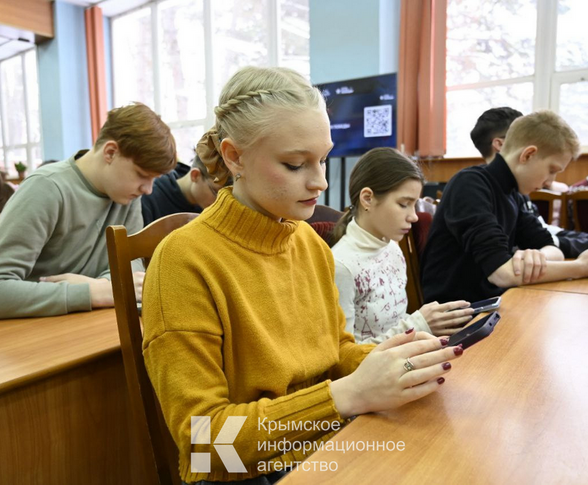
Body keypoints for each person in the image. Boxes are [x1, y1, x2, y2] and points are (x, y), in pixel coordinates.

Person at [141, 66, 463, 485]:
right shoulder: (183, 261)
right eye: (295, 165)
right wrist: (347, 394)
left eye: (323, 159)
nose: (321, 182)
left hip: (326, 443)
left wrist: (397, 363)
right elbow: (204, 444)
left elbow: (336, 351)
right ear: (234, 156)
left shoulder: (309, 242)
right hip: (246, 473)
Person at [0, 103, 175, 320]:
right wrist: (91, 292)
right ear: (110, 152)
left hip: (86, 323)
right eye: (142, 175)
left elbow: (129, 269)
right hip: (30, 330)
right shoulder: (46, 188)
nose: (148, 190)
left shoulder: (126, 195)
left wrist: (101, 286)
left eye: (154, 179)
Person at [422, 110, 588, 304]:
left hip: (494, 302)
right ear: (528, 155)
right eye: (551, 170)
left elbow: (552, 248)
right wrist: (580, 268)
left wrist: (537, 258)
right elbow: (502, 274)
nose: (550, 181)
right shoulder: (469, 185)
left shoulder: (513, 194)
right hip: (457, 313)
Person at [330, 147, 474, 343]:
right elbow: (344, 354)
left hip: (405, 355)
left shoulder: (392, 248)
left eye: (414, 205)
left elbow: (394, 321)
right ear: (367, 199)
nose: (414, 216)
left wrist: (428, 326)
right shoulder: (342, 267)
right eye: (404, 204)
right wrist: (417, 325)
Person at [470, 108, 588, 256]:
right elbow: (500, 263)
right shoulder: (475, 187)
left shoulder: (515, 191)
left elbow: (542, 233)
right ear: (502, 144)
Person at [141, 154, 230, 225]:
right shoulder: (149, 196)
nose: (220, 202)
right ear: (195, 175)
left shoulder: (206, 206)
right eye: (216, 192)